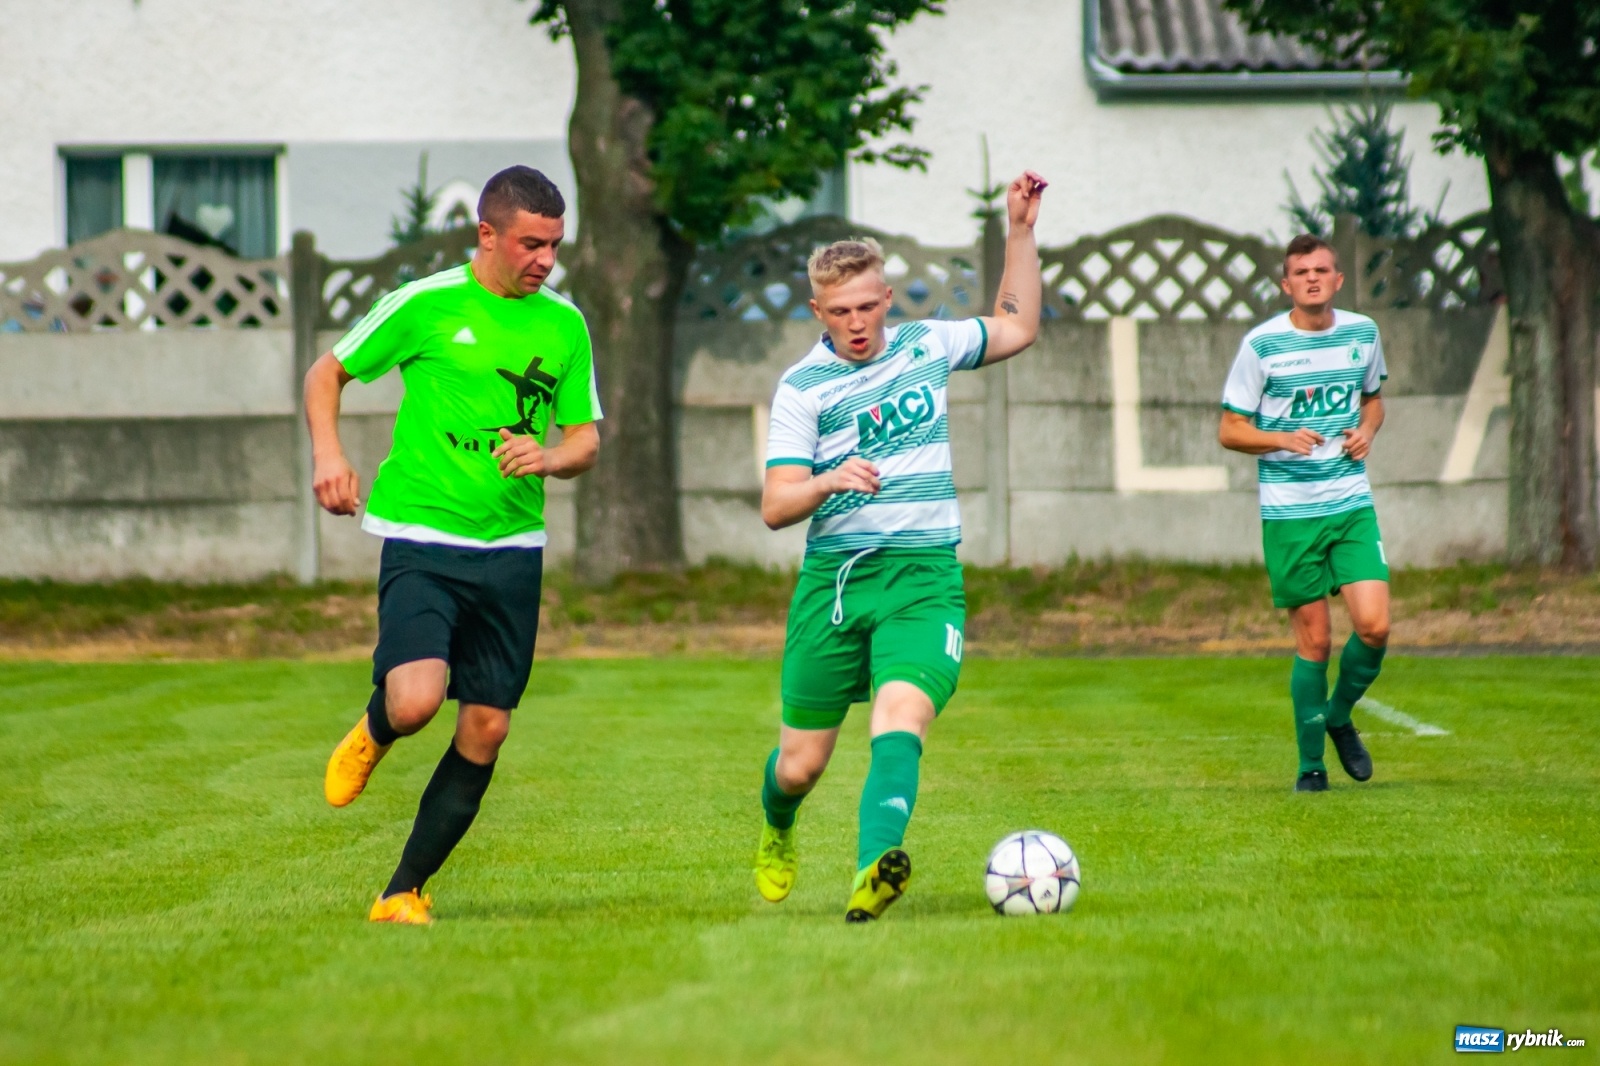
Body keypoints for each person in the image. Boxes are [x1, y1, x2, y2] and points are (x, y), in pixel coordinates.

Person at [303, 166, 601, 923]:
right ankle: (375, 730)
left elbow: (585, 441)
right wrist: (330, 456)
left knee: (488, 725)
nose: (545, 260)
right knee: (415, 701)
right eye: (531, 244)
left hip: (513, 548)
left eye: (555, 246)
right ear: (487, 234)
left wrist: (548, 458)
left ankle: (401, 891)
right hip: (423, 535)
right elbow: (327, 373)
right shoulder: (426, 302)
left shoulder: (564, 325)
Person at [751, 171, 1048, 922]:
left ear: (887, 298)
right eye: (840, 311)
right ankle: (777, 826)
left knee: (900, 716)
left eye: (867, 306)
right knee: (799, 766)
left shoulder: (926, 345)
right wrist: (827, 480)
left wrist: (1019, 232)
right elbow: (776, 506)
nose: (856, 323)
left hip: (923, 577)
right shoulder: (804, 388)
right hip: (836, 584)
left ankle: (871, 872)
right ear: (818, 311)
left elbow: (1015, 328)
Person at [1219, 234, 1389, 793]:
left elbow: (1372, 400)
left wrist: (1366, 431)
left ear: (1338, 280)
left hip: (1350, 503)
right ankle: (1310, 766)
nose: (1312, 278)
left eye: (1321, 269)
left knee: (1375, 626)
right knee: (1315, 642)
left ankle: (1339, 715)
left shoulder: (1363, 333)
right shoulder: (1262, 345)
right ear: (1286, 284)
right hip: (1290, 514)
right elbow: (1230, 429)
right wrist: (1280, 438)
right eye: (1301, 271)